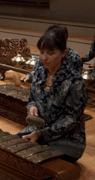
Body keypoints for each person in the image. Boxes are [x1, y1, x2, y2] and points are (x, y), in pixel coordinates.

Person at [18, 29, 86, 163]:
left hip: (67, 139)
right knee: (12, 149)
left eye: (50, 53)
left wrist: (41, 134)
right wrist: (32, 107)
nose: (44, 57)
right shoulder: (38, 73)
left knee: (30, 160)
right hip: (38, 131)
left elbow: (71, 119)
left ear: (63, 53)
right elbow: (32, 99)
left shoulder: (75, 81)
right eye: (42, 52)